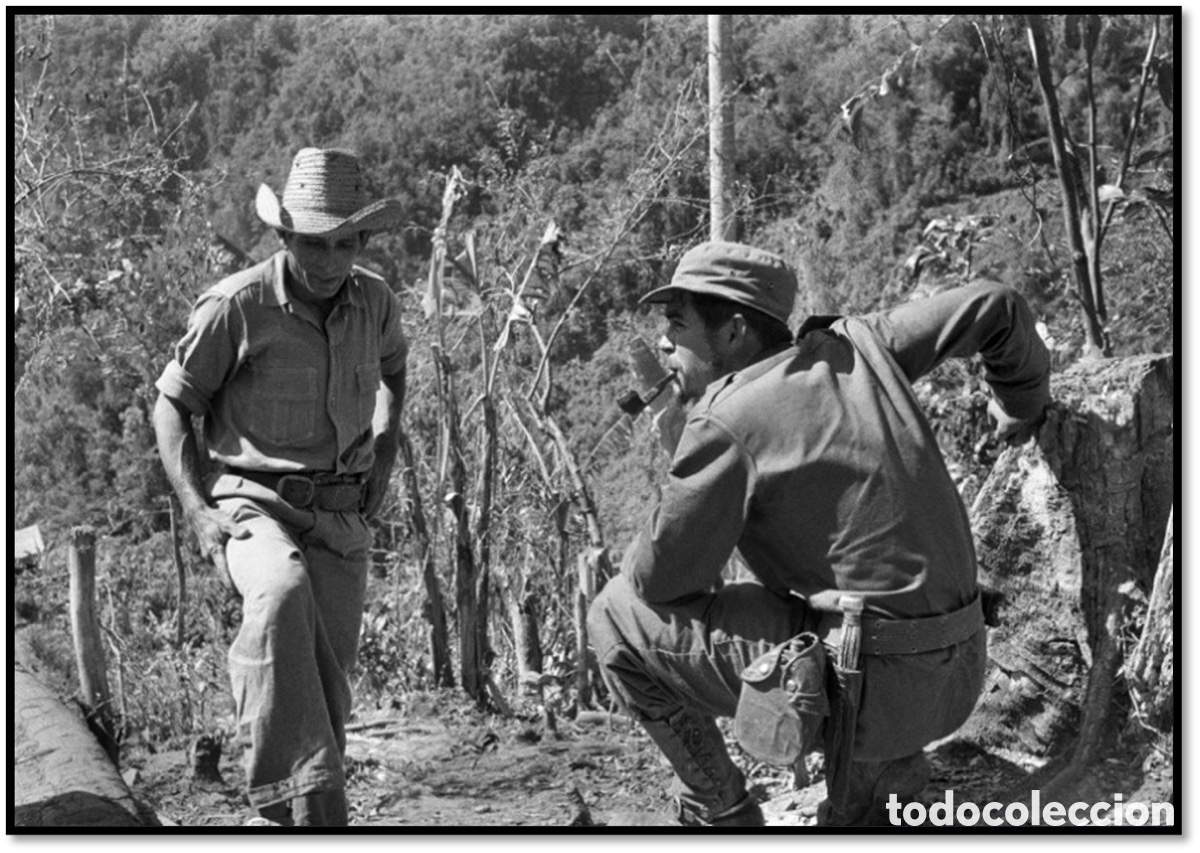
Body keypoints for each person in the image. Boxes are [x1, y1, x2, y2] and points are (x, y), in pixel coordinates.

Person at [588, 241, 1050, 827]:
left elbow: (660, 580)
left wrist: (686, 454)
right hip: (959, 676)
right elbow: (997, 304)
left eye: (677, 324)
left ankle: (720, 811)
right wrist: (1022, 402)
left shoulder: (725, 421)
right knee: (842, 600)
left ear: (732, 331)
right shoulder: (862, 345)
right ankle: (878, 771)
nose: (663, 342)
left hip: (872, 691)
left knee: (613, 615)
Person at [153, 148, 408, 827]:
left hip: (342, 515)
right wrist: (198, 512)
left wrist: (384, 449)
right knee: (280, 589)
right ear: (284, 236)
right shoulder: (238, 305)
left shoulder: (375, 302)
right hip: (251, 502)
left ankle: (306, 822)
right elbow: (172, 404)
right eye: (312, 245)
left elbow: (395, 373)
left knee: (327, 690)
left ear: (360, 241)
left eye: (342, 245)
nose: (327, 261)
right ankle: (292, 812)